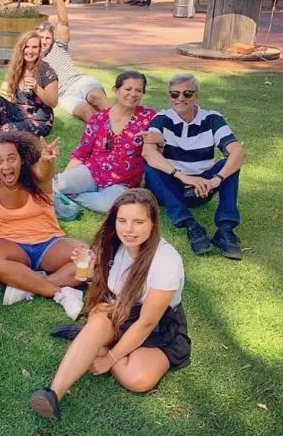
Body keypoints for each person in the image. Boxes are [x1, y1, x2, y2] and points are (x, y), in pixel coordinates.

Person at [29, 188, 190, 419]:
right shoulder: (113, 243)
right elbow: (104, 286)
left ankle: (93, 344)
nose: (129, 229)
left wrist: (108, 359)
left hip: (157, 327)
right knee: (99, 320)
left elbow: (147, 322)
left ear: (153, 223)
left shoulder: (166, 261)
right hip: (118, 311)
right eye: (122, 220)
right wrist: (88, 272)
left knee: (138, 379)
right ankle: (52, 394)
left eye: (138, 222)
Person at [0, 132, 86, 319]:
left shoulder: (36, 176)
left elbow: (44, 171)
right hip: (11, 244)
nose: (6, 166)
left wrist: (47, 160)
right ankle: (59, 292)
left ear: (22, 160)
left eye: (11, 158)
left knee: (88, 259)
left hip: (48, 242)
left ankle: (26, 286)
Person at [142, 73, 245, 260]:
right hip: (170, 187)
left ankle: (225, 229)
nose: (180, 98)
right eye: (174, 94)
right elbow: (148, 153)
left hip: (202, 188)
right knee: (152, 168)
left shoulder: (212, 119)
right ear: (169, 96)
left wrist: (216, 180)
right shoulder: (162, 119)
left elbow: (237, 151)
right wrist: (183, 177)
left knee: (230, 163)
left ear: (196, 95)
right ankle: (191, 226)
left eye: (187, 93)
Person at [55, 71, 156, 213]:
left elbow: (162, 138)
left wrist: (160, 140)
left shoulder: (148, 117)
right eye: (128, 89)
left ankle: (74, 195)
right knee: (56, 184)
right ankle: (67, 191)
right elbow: (81, 154)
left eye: (138, 90)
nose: (133, 94)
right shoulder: (99, 118)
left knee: (109, 206)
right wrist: (66, 179)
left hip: (123, 182)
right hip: (92, 171)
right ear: (116, 90)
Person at [38, 0, 112, 122]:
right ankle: (107, 137)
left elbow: (63, 22)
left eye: (47, 38)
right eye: (40, 38)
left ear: (53, 38)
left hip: (79, 81)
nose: (43, 42)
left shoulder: (58, 45)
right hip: (64, 94)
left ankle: (129, 126)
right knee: (85, 111)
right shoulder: (33, 57)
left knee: (97, 98)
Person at [0, 30, 58, 139]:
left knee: (5, 129)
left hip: (38, 120)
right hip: (19, 113)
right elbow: (13, 99)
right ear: (21, 48)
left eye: (34, 47)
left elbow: (53, 102)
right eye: (27, 46)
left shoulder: (46, 71)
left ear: (40, 50)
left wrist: (36, 88)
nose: (30, 51)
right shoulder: (17, 67)